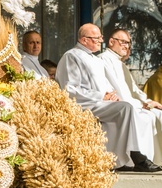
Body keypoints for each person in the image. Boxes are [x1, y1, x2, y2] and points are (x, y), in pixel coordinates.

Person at [56, 23, 162, 172]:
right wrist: (101, 95)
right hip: (84, 103)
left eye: (100, 37)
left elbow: (105, 84)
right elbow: (69, 88)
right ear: (84, 39)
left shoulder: (95, 59)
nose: (101, 40)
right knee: (125, 108)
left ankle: (119, 160)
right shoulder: (72, 56)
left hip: (100, 102)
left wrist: (112, 95)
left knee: (124, 106)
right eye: (97, 38)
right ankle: (136, 156)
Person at [99, 28, 162, 165]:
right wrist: (143, 104)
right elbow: (118, 91)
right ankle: (137, 161)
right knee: (146, 116)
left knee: (157, 114)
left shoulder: (120, 64)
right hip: (118, 105)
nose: (126, 46)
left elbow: (133, 90)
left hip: (134, 103)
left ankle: (154, 160)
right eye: (123, 42)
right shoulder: (103, 60)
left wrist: (149, 102)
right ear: (111, 42)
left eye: (128, 43)